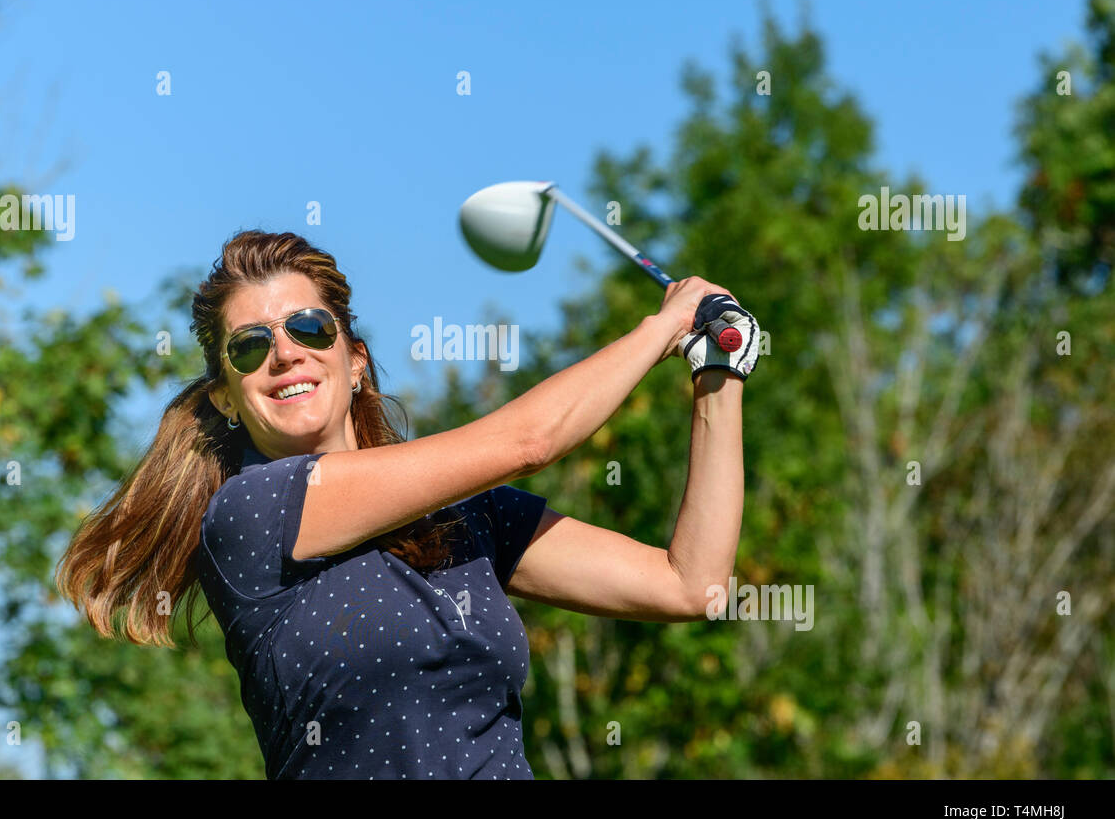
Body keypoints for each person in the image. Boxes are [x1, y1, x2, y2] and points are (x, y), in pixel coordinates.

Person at [56, 228, 759, 779]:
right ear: (225, 396)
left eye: (307, 328)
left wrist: (717, 368)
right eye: (248, 346)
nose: (285, 354)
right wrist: (660, 328)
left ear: (354, 358)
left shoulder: (470, 515)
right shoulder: (251, 515)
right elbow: (530, 440)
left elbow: (690, 585)